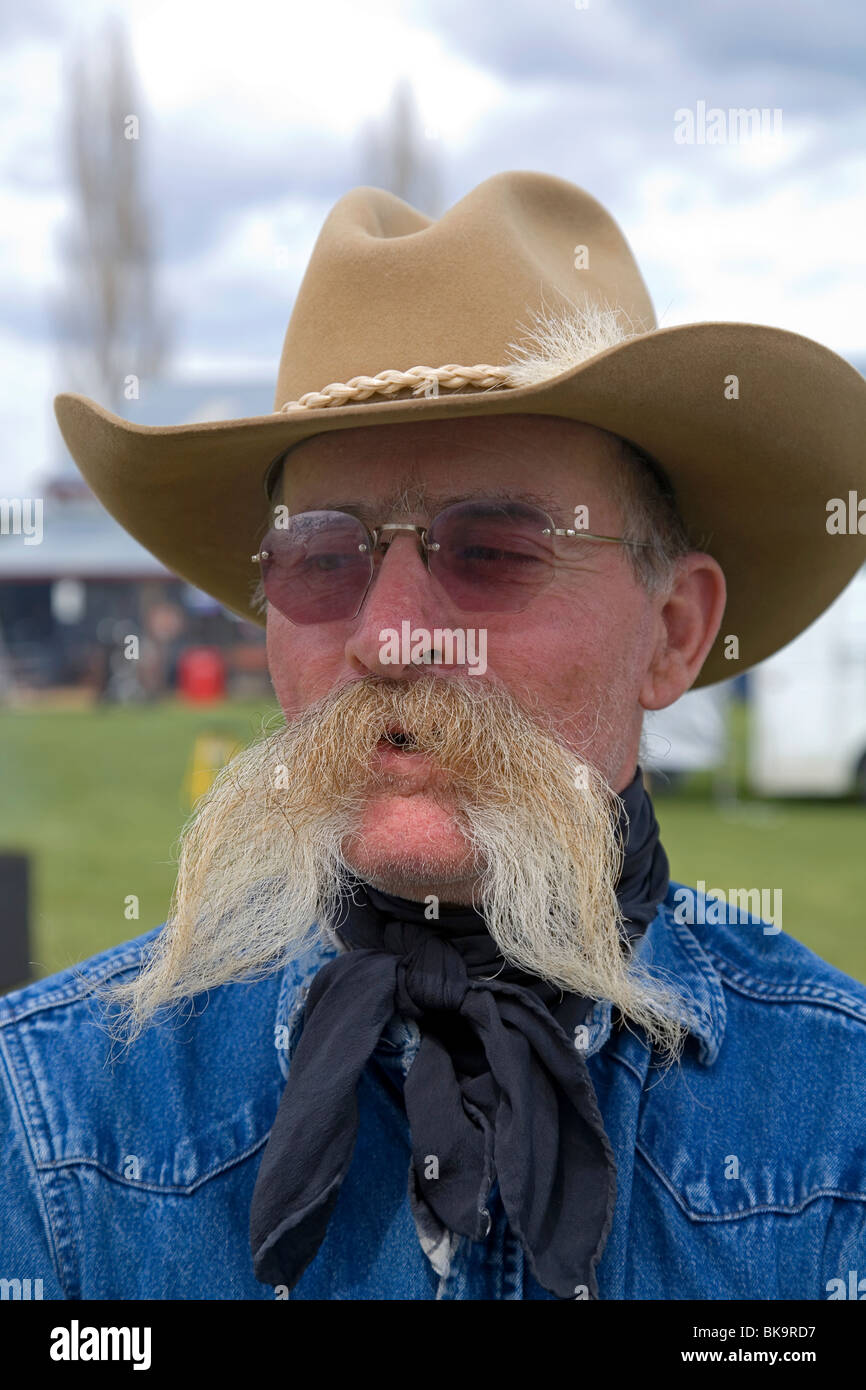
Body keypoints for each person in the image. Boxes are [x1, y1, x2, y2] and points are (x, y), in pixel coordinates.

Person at [2, 171, 865, 1300]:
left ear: (672, 631)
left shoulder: (838, 1133)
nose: (392, 637)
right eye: (320, 554)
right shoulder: (51, 1127)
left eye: (494, 550)